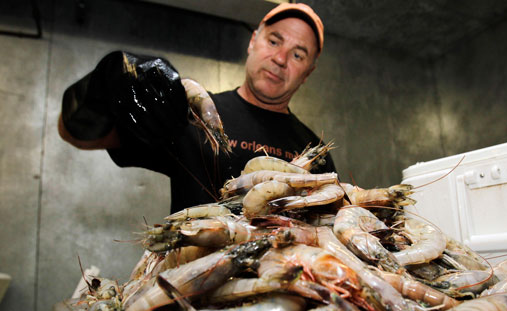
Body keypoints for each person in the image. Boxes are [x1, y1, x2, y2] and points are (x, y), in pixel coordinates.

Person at [58, 3, 337, 213]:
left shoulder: (316, 149)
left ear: (307, 73)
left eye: (298, 54)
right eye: (274, 41)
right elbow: (75, 135)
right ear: (253, 42)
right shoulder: (190, 113)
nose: (280, 58)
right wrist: (100, 88)